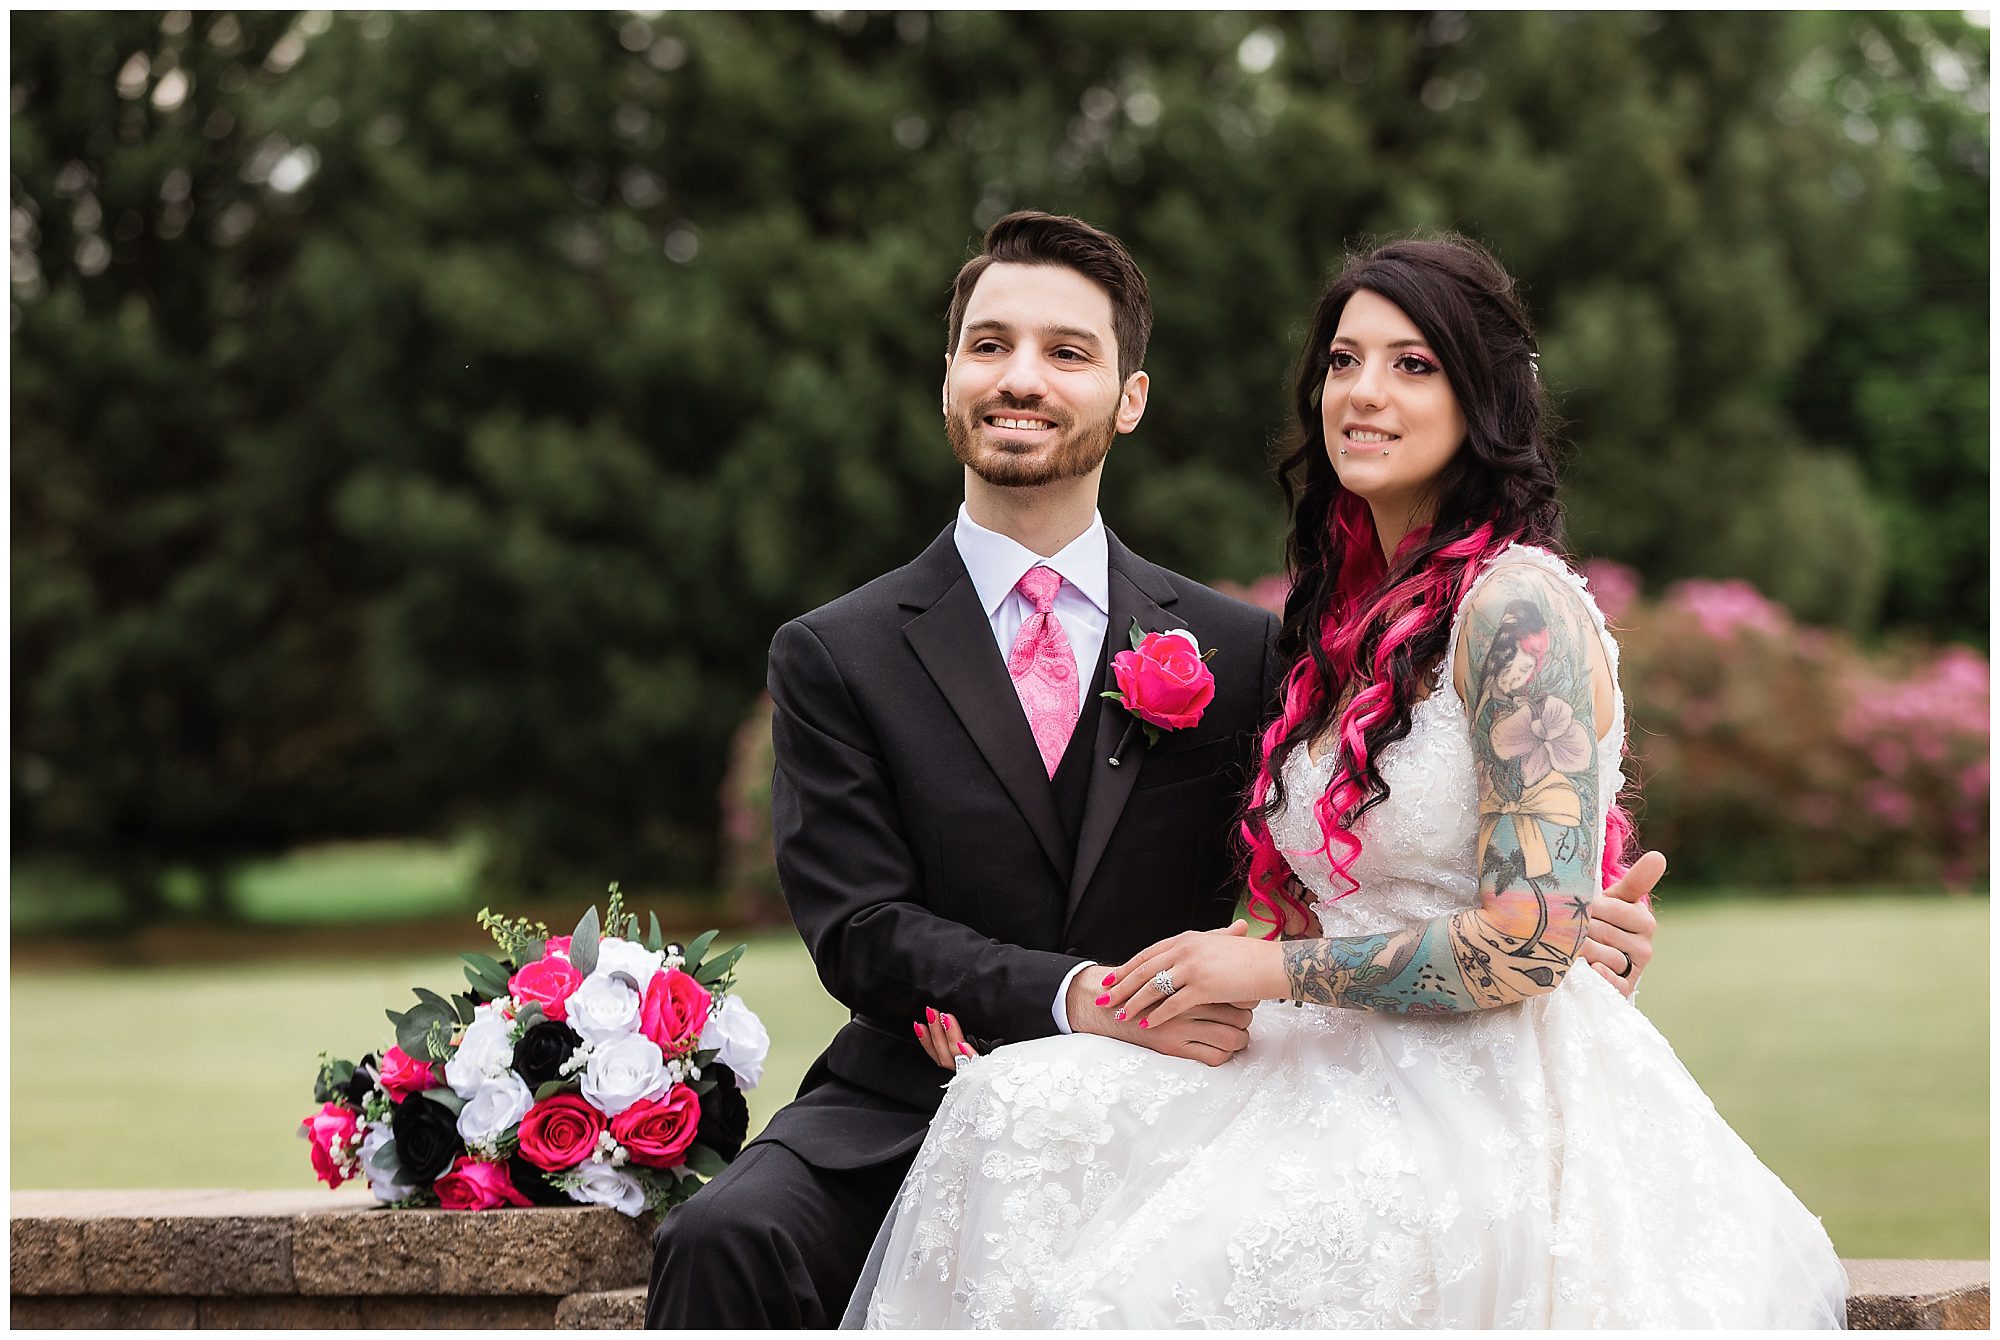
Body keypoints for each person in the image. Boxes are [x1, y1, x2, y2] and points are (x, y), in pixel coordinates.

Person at [646, 214, 1664, 1328]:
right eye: (987, 345)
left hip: (1195, 1079)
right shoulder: (833, 651)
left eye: (1066, 351)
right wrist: (1070, 998)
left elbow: (1360, 858)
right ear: (946, 376)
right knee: (720, 1238)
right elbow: (859, 927)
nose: (1019, 377)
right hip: (912, 1084)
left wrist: (1565, 921)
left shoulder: (1248, 648)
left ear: (1130, 397)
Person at [845, 236, 1846, 1328]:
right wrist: (1109, 996)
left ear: (1482, 397)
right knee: (1012, 1103)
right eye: (1343, 360)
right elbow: (1321, 895)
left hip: (1480, 1094)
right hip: (1334, 1053)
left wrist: (1270, 966)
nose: (1364, 393)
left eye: (1412, 365)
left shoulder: (1515, 608)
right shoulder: (1341, 628)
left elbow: (1524, 938)